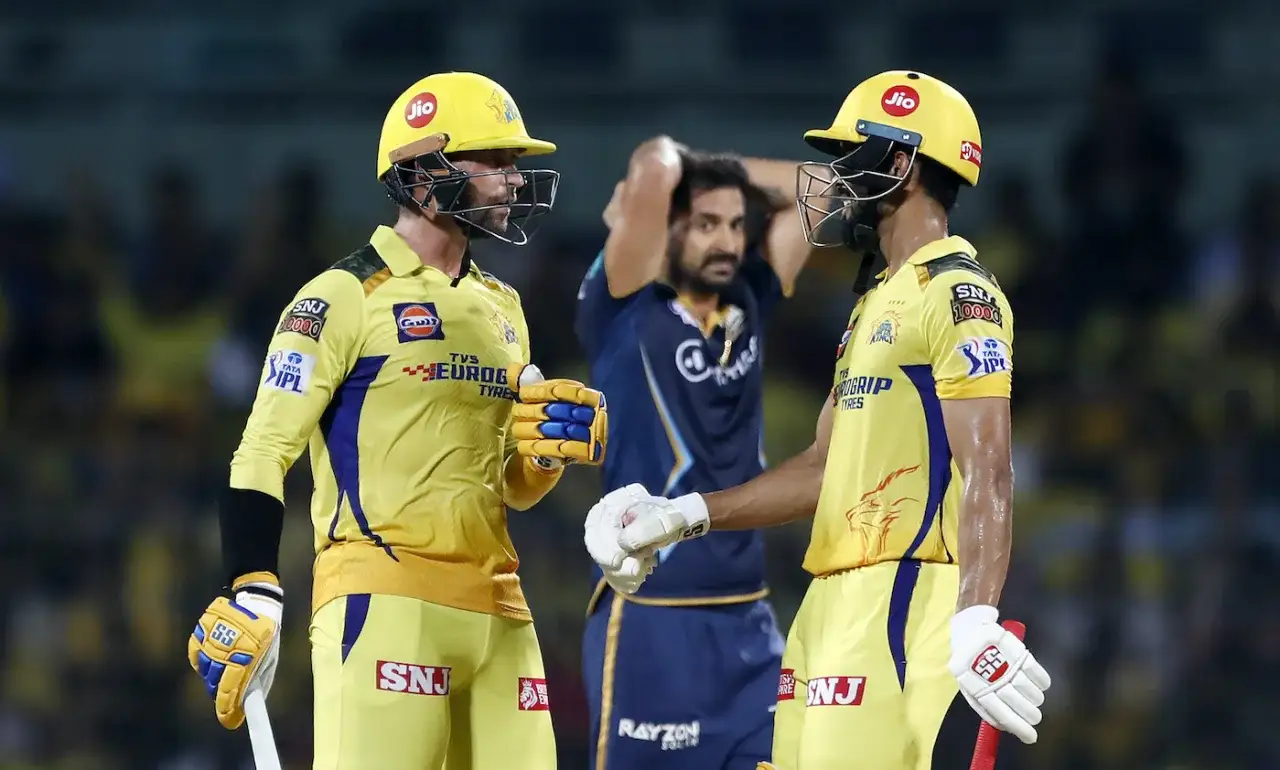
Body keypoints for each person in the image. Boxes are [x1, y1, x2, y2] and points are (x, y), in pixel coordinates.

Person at [584, 71, 1052, 770]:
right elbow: (822, 468)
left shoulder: (957, 293)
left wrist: (976, 614)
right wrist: (683, 514)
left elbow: (988, 466)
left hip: (899, 598)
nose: (837, 178)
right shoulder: (875, 301)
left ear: (901, 165)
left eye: (851, 156)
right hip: (828, 604)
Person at [186, 71, 608, 770]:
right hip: (381, 600)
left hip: (501, 611)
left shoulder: (503, 306)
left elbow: (509, 487)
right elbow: (261, 449)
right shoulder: (341, 296)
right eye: (494, 160)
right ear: (424, 173)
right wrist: (252, 584)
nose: (513, 179)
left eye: (514, 162)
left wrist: (542, 456)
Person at [575, 137, 817, 770]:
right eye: (707, 223)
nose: (728, 243)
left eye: (737, 225)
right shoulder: (620, 308)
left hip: (750, 621)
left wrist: (721, 175)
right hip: (653, 620)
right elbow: (657, 161)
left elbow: (823, 187)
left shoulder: (749, 297)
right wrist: (675, 181)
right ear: (667, 226)